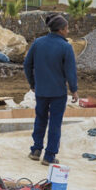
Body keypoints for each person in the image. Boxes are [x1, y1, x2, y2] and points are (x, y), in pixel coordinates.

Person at [23, 13, 78, 165]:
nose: (68, 31)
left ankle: (35, 150)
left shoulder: (37, 43)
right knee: (55, 123)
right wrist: (74, 90)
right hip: (58, 93)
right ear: (60, 30)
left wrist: (33, 84)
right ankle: (49, 156)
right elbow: (70, 71)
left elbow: (27, 65)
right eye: (67, 29)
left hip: (41, 91)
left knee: (40, 119)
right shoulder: (65, 47)